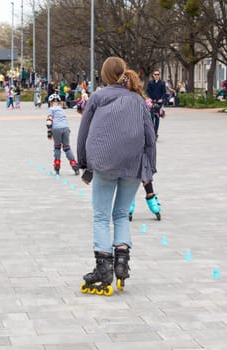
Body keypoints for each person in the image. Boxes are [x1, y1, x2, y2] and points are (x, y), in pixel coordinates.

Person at [77, 57, 157, 296]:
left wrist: (84, 163)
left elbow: (84, 133)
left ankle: (103, 267)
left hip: (104, 163)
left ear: (104, 75)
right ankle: (121, 261)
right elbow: (149, 137)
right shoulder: (138, 99)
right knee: (121, 214)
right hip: (133, 164)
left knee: (102, 216)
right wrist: (149, 168)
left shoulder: (98, 97)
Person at [123, 69, 162, 221]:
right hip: (140, 141)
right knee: (145, 174)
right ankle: (153, 203)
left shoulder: (120, 99)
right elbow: (148, 127)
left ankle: (130, 204)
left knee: (129, 175)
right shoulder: (141, 100)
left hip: (127, 142)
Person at [45, 93, 80, 175]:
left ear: (50, 102)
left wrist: (49, 132)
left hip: (56, 129)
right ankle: (74, 164)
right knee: (67, 147)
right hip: (66, 128)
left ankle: (57, 165)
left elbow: (49, 120)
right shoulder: (62, 110)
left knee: (57, 147)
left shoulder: (51, 109)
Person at [146, 70, 166, 138]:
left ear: (159, 75)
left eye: (158, 74)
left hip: (159, 103)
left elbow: (164, 92)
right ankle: (152, 132)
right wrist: (149, 98)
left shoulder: (162, 83)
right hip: (152, 103)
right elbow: (147, 91)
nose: (157, 75)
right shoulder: (150, 82)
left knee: (157, 117)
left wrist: (162, 99)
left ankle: (156, 133)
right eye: (155, 74)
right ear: (153, 75)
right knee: (151, 117)